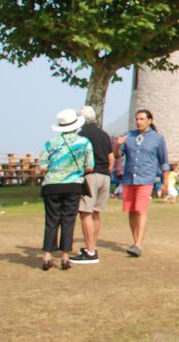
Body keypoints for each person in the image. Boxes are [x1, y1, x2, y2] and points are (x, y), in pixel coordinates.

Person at [38, 109, 94, 271]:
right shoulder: (84, 143)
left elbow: (42, 167)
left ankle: (47, 255)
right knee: (68, 220)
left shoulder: (50, 143)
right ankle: (64, 256)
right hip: (73, 185)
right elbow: (90, 167)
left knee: (51, 220)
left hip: (51, 185)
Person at [119, 109, 170, 257]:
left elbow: (164, 161)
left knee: (141, 210)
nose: (138, 122)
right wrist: (118, 145)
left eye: (142, 119)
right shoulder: (129, 136)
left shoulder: (157, 138)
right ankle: (135, 241)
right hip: (129, 178)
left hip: (146, 178)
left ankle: (138, 243)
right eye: (137, 119)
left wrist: (165, 182)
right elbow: (118, 154)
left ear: (149, 120)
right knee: (131, 211)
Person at [70, 106, 113, 265]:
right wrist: (108, 172)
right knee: (96, 213)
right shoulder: (104, 135)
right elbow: (111, 157)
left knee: (85, 212)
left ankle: (90, 252)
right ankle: (92, 246)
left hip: (90, 175)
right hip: (104, 176)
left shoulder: (81, 136)